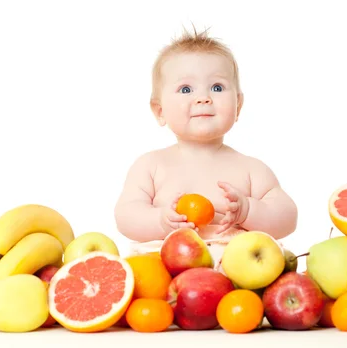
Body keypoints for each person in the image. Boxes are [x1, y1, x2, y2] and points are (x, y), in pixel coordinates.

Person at [114, 27, 298, 267]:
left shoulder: (252, 170)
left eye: (217, 88)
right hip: (165, 276)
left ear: (238, 106)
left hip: (237, 275)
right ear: (160, 111)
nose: (203, 98)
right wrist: (160, 221)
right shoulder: (150, 166)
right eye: (186, 89)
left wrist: (248, 211)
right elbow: (125, 216)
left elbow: (288, 217)